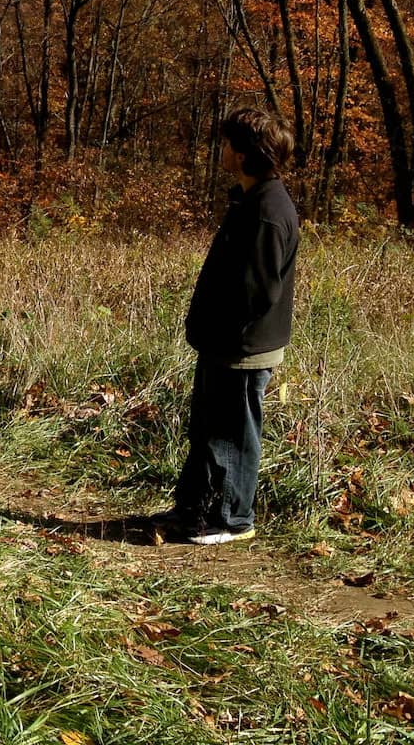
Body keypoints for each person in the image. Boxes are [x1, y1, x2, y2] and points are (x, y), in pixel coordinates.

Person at [154, 107, 299, 545]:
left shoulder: (268, 212)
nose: (223, 150)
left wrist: (221, 333)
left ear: (246, 153)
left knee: (234, 434)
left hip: (241, 347)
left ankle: (234, 519)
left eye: (229, 144)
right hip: (226, 343)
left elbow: (256, 294)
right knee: (206, 430)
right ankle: (192, 509)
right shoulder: (250, 200)